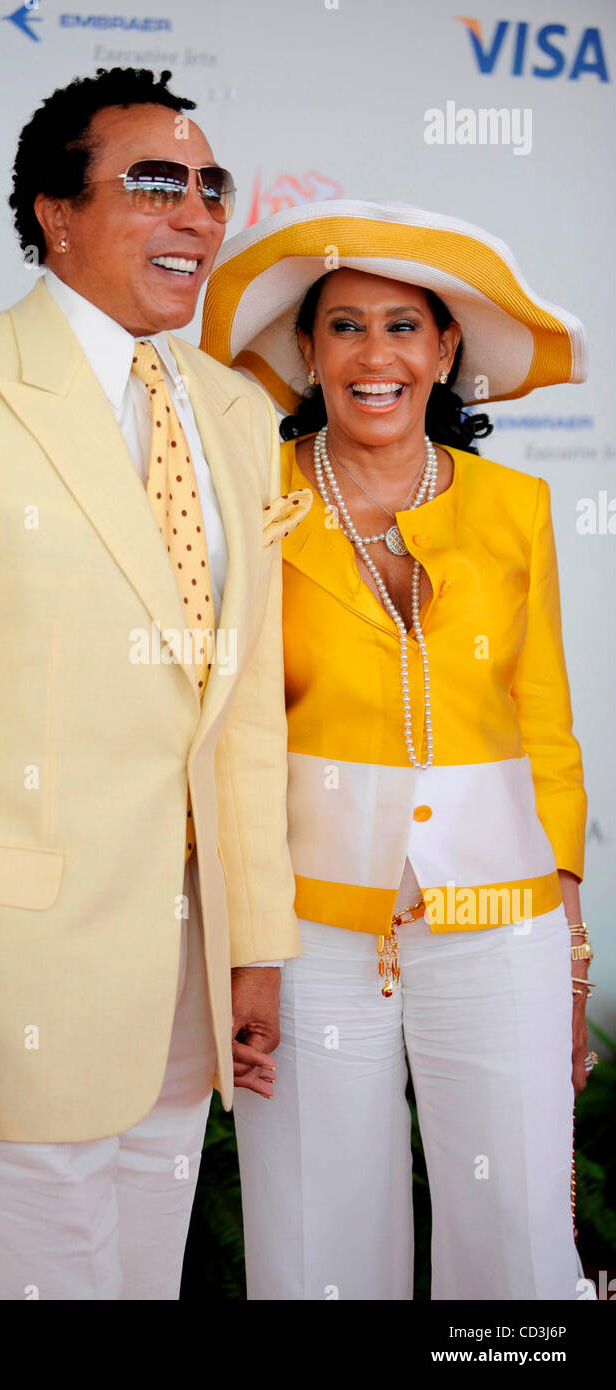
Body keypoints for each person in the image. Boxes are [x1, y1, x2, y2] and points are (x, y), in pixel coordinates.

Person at [0, 67, 311, 1301]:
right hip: (2, 991)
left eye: (209, 188)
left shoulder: (237, 413)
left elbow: (238, 713)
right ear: (55, 212)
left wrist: (255, 943)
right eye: (154, 184)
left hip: (186, 998)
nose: (195, 214)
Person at [201, 199, 594, 1300]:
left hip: (501, 920)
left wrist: (568, 943)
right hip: (308, 929)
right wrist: (245, 940)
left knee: (517, 1222)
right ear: (306, 353)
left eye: (403, 326)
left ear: (445, 348)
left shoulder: (517, 506)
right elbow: (228, 735)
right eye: (344, 327)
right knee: (317, 1229)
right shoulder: (254, 503)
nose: (376, 355)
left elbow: (545, 722)